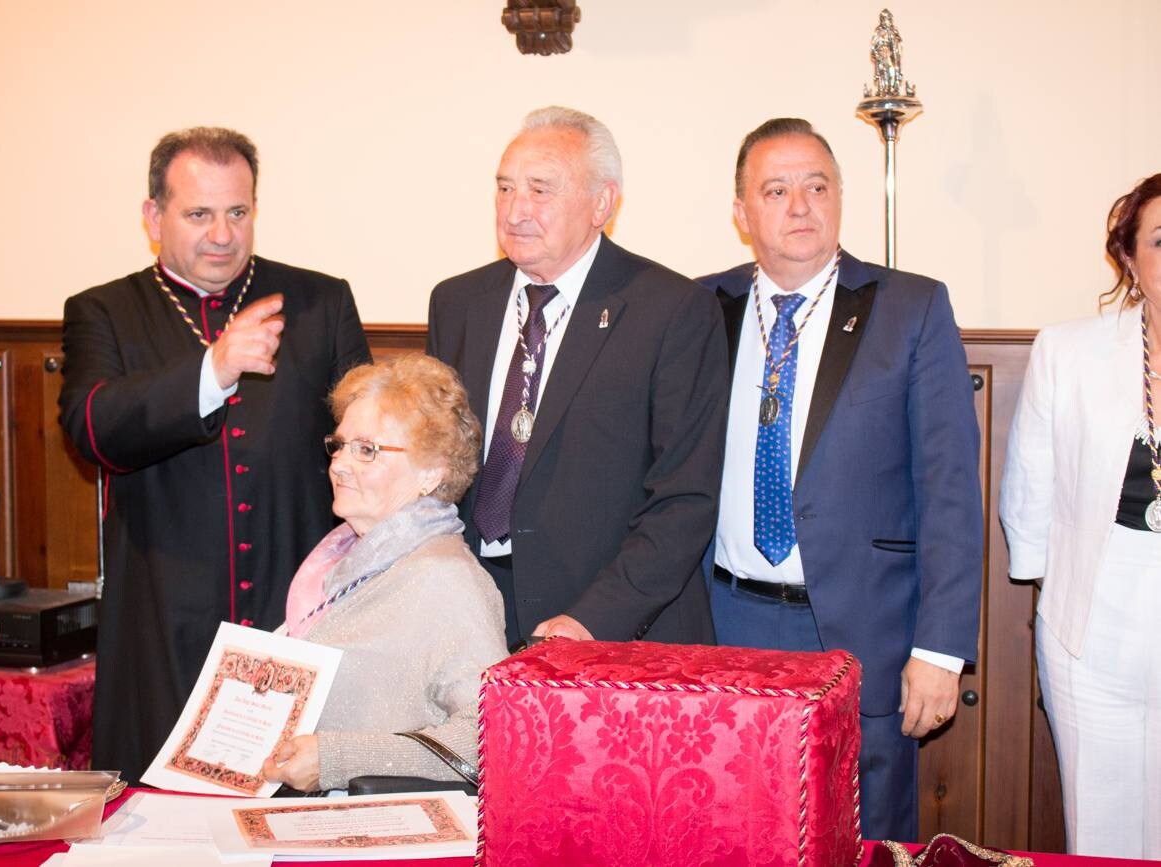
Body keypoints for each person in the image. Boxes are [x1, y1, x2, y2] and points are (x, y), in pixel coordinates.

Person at [699, 117, 982, 842]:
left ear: (840, 199)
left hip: (863, 633)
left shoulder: (911, 307)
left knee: (860, 837)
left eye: (817, 186)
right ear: (740, 214)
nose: (800, 205)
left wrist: (940, 649)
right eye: (777, 189)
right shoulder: (696, 310)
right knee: (732, 829)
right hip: (722, 623)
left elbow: (950, 489)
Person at [59, 127, 370, 783]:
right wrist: (213, 369)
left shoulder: (320, 302)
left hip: (296, 623)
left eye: (238, 212)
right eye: (199, 214)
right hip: (164, 626)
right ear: (153, 217)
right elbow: (92, 427)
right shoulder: (104, 312)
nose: (223, 234)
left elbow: (368, 439)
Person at [427, 106, 727, 649]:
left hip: (609, 625)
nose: (516, 210)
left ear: (602, 203)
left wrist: (595, 618)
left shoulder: (670, 310)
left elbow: (685, 498)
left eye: (541, 190)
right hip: (471, 612)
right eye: (504, 188)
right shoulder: (458, 303)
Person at [1000, 173, 1161, 858]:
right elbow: (1028, 485)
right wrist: (1042, 590)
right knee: (1105, 835)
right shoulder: (1068, 351)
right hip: (1091, 632)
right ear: (1128, 257)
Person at [262, 354, 506, 791]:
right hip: (313, 819)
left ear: (431, 472)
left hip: (387, 833)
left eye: (367, 450)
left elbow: (489, 736)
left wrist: (335, 759)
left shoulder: (445, 577)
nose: (338, 464)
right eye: (338, 445)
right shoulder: (340, 560)